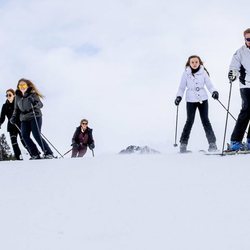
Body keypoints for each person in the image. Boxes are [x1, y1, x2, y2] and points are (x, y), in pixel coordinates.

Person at [175, 55, 219, 153]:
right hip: (190, 100)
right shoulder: (186, 73)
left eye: (196, 62)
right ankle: (183, 144)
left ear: (199, 63)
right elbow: (181, 87)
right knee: (189, 121)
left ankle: (212, 144)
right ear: (189, 63)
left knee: (206, 121)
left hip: (203, 99)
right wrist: (179, 97)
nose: (194, 64)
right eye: (192, 62)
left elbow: (209, 85)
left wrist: (214, 92)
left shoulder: (203, 73)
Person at [10, 79, 54, 159]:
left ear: (27, 86)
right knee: (24, 135)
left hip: (35, 116)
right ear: (18, 87)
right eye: (20, 85)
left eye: (24, 85)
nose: (22, 87)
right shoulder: (17, 97)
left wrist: (34, 102)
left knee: (36, 134)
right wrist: (13, 117)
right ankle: (35, 153)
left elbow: (40, 105)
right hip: (24, 118)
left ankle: (48, 153)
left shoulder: (32, 94)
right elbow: (16, 109)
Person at [228, 28, 250, 151]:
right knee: (247, 109)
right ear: (245, 39)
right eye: (248, 39)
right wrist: (233, 74)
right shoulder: (240, 52)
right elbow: (234, 67)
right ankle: (235, 141)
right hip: (246, 85)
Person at [0, 89, 30, 160]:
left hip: (20, 124)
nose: (8, 96)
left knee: (23, 140)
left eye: (9, 95)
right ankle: (18, 157)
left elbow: (23, 111)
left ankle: (33, 153)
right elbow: (2, 117)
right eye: (6, 95)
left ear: (14, 95)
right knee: (14, 142)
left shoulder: (18, 103)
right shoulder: (4, 106)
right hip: (11, 126)